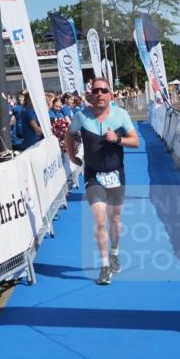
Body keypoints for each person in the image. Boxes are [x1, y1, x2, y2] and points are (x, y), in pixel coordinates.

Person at [69, 78, 139, 285]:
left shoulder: (121, 115)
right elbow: (69, 133)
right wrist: (72, 157)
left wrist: (117, 139)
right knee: (100, 220)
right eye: (95, 91)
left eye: (104, 90)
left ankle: (115, 252)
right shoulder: (81, 116)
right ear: (90, 94)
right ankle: (105, 266)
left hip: (116, 173)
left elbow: (136, 141)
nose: (99, 94)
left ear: (111, 95)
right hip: (93, 174)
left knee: (115, 219)